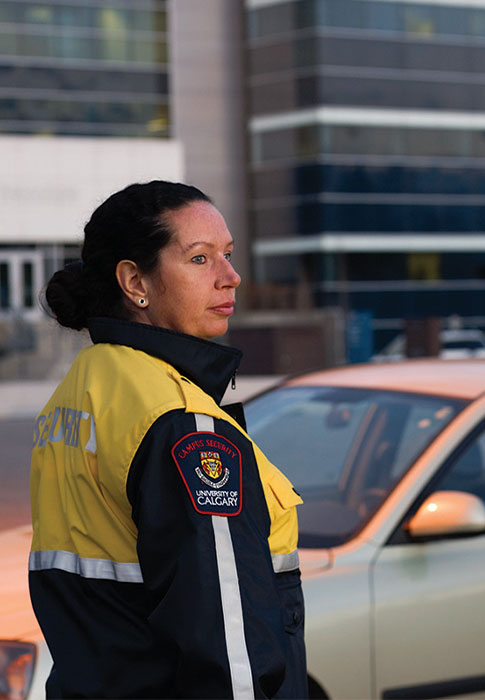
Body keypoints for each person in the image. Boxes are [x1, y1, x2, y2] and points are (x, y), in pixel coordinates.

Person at [29, 181, 307, 698]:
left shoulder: (78, 394)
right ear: (136, 280)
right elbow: (229, 655)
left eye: (227, 255)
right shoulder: (183, 425)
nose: (231, 277)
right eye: (200, 260)